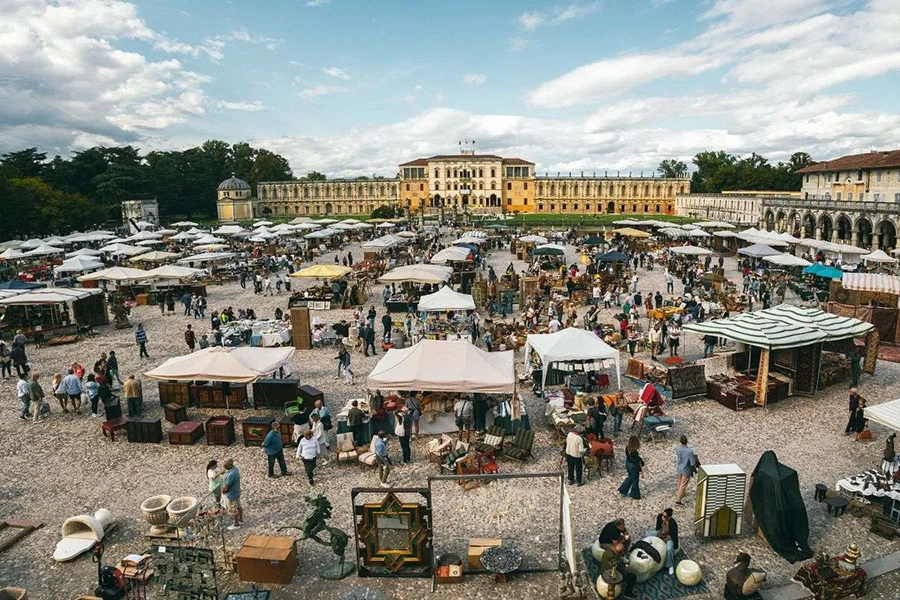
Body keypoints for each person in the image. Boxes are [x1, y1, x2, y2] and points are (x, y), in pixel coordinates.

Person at [618, 435, 644, 500]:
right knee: (635, 480)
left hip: (628, 464)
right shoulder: (634, 451)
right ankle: (634, 495)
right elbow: (637, 461)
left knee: (630, 478)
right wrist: (640, 469)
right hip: (633, 466)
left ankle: (623, 490)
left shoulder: (627, 447)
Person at [654, 508, 679, 575]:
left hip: (669, 537)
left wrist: (666, 538)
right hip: (660, 533)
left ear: (669, 517)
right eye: (662, 515)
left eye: (665, 516)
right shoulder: (660, 517)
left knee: (669, 549)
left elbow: (674, 536)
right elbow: (658, 527)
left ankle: (670, 565)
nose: (662, 517)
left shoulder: (673, 524)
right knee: (647, 534)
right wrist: (660, 535)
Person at [674, 435, 698, 506]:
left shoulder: (678, 448)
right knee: (683, 484)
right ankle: (678, 500)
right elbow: (692, 463)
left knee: (680, 482)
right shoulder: (689, 451)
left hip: (679, 467)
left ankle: (680, 493)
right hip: (686, 469)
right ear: (687, 441)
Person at [221, 459, 243, 530]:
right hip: (236, 491)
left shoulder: (231, 475)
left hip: (231, 494)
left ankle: (236, 524)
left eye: (225, 465)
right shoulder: (235, 469)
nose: (224, 467)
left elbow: (226, 487)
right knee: (239, 506)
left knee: (233, 509)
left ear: (229, 465)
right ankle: (241, 519)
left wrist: (222, 491)